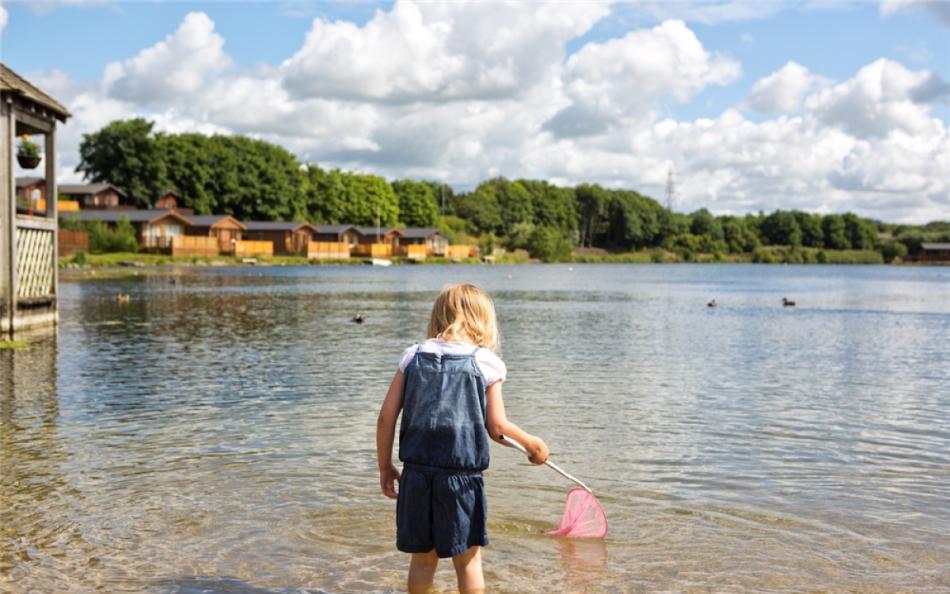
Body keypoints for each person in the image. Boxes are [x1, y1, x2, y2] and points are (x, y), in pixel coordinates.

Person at [376, 283, 549, 594]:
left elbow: (386, 418)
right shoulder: (485, 361)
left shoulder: (412, 354)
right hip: (461, 479)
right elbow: (497, 428)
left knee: (422, 560)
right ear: (483, 320)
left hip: (415, 477)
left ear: (438, 317)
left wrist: (385, 467)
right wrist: (533, 445)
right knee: (467, 560)